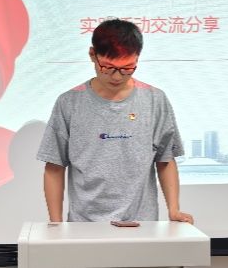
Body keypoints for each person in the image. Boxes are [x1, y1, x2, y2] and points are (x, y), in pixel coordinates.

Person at [37, 18, 193, 224]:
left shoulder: (155, 99)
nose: (117, 77)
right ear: (92, 55)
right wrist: (55, 223)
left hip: (142, 224)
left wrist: (174, 210)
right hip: (85, 225)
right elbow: (54, 167)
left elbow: (165, 160)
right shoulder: (69, 102)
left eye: (127, 68)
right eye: (108, 67)